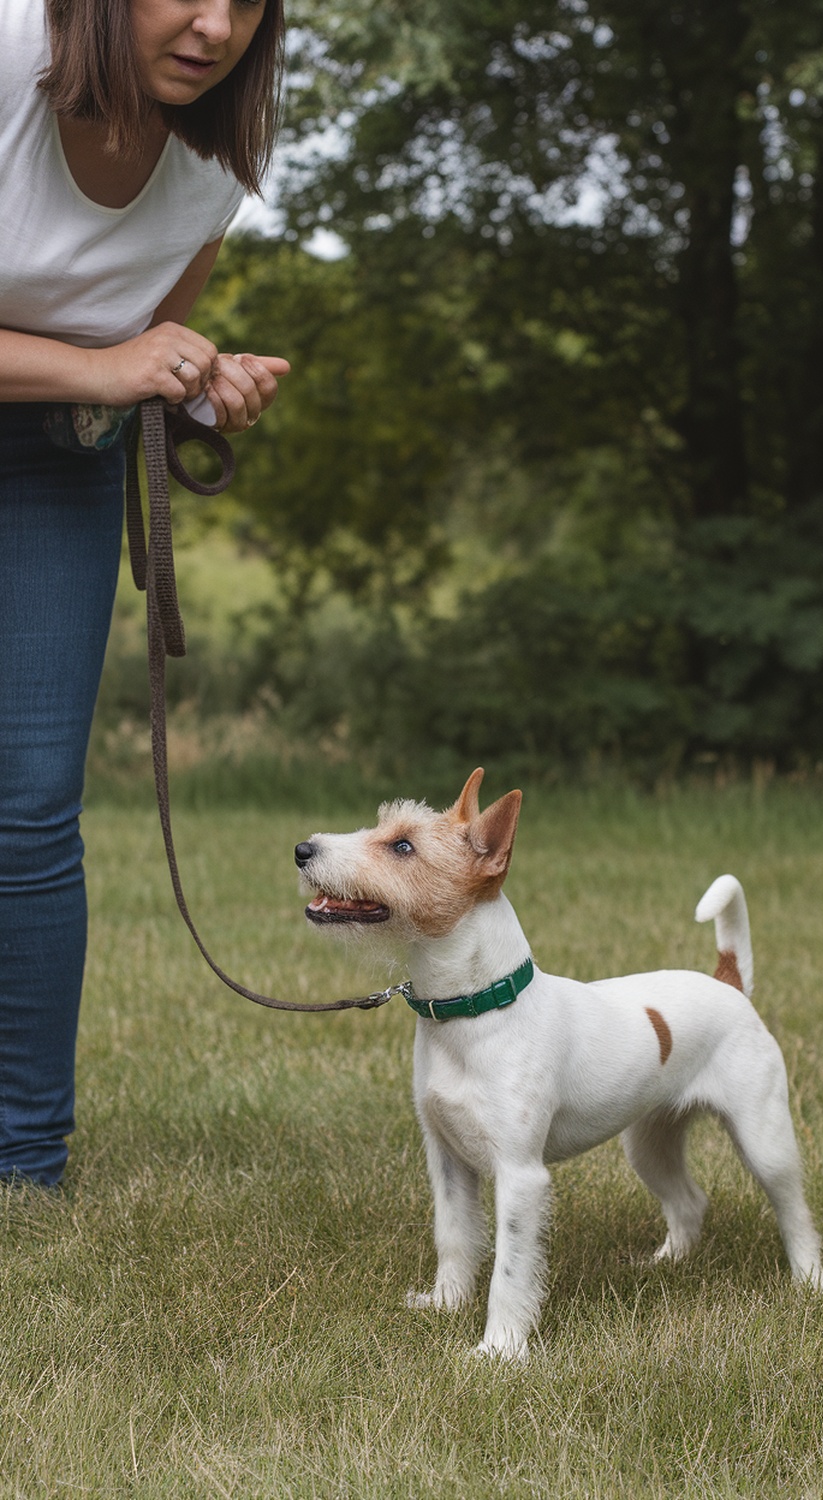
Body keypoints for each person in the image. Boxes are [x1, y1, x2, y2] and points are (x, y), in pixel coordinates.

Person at [0, 0, 291, 1186]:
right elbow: (105, 356)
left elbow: (145, 347)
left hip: (55, 469)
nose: (215, 23)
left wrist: (195, 377)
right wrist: (105, 366)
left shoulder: (211, 167)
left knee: (26, 811)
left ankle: (23, 1162)